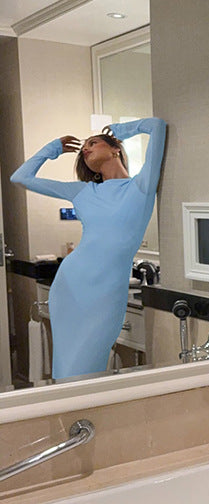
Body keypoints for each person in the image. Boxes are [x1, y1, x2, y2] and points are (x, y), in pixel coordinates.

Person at [10, 118, 166, 379]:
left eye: (93, 143)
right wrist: (52, 149)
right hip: (71, 285)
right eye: (84, 148)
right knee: (67, 369)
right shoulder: (82, 191)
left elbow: (157, 126)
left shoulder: (141, 186)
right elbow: (20, 177)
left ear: (115, 148)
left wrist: (122, 130)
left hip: (107, 294)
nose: (85, 149)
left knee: (87, 368)